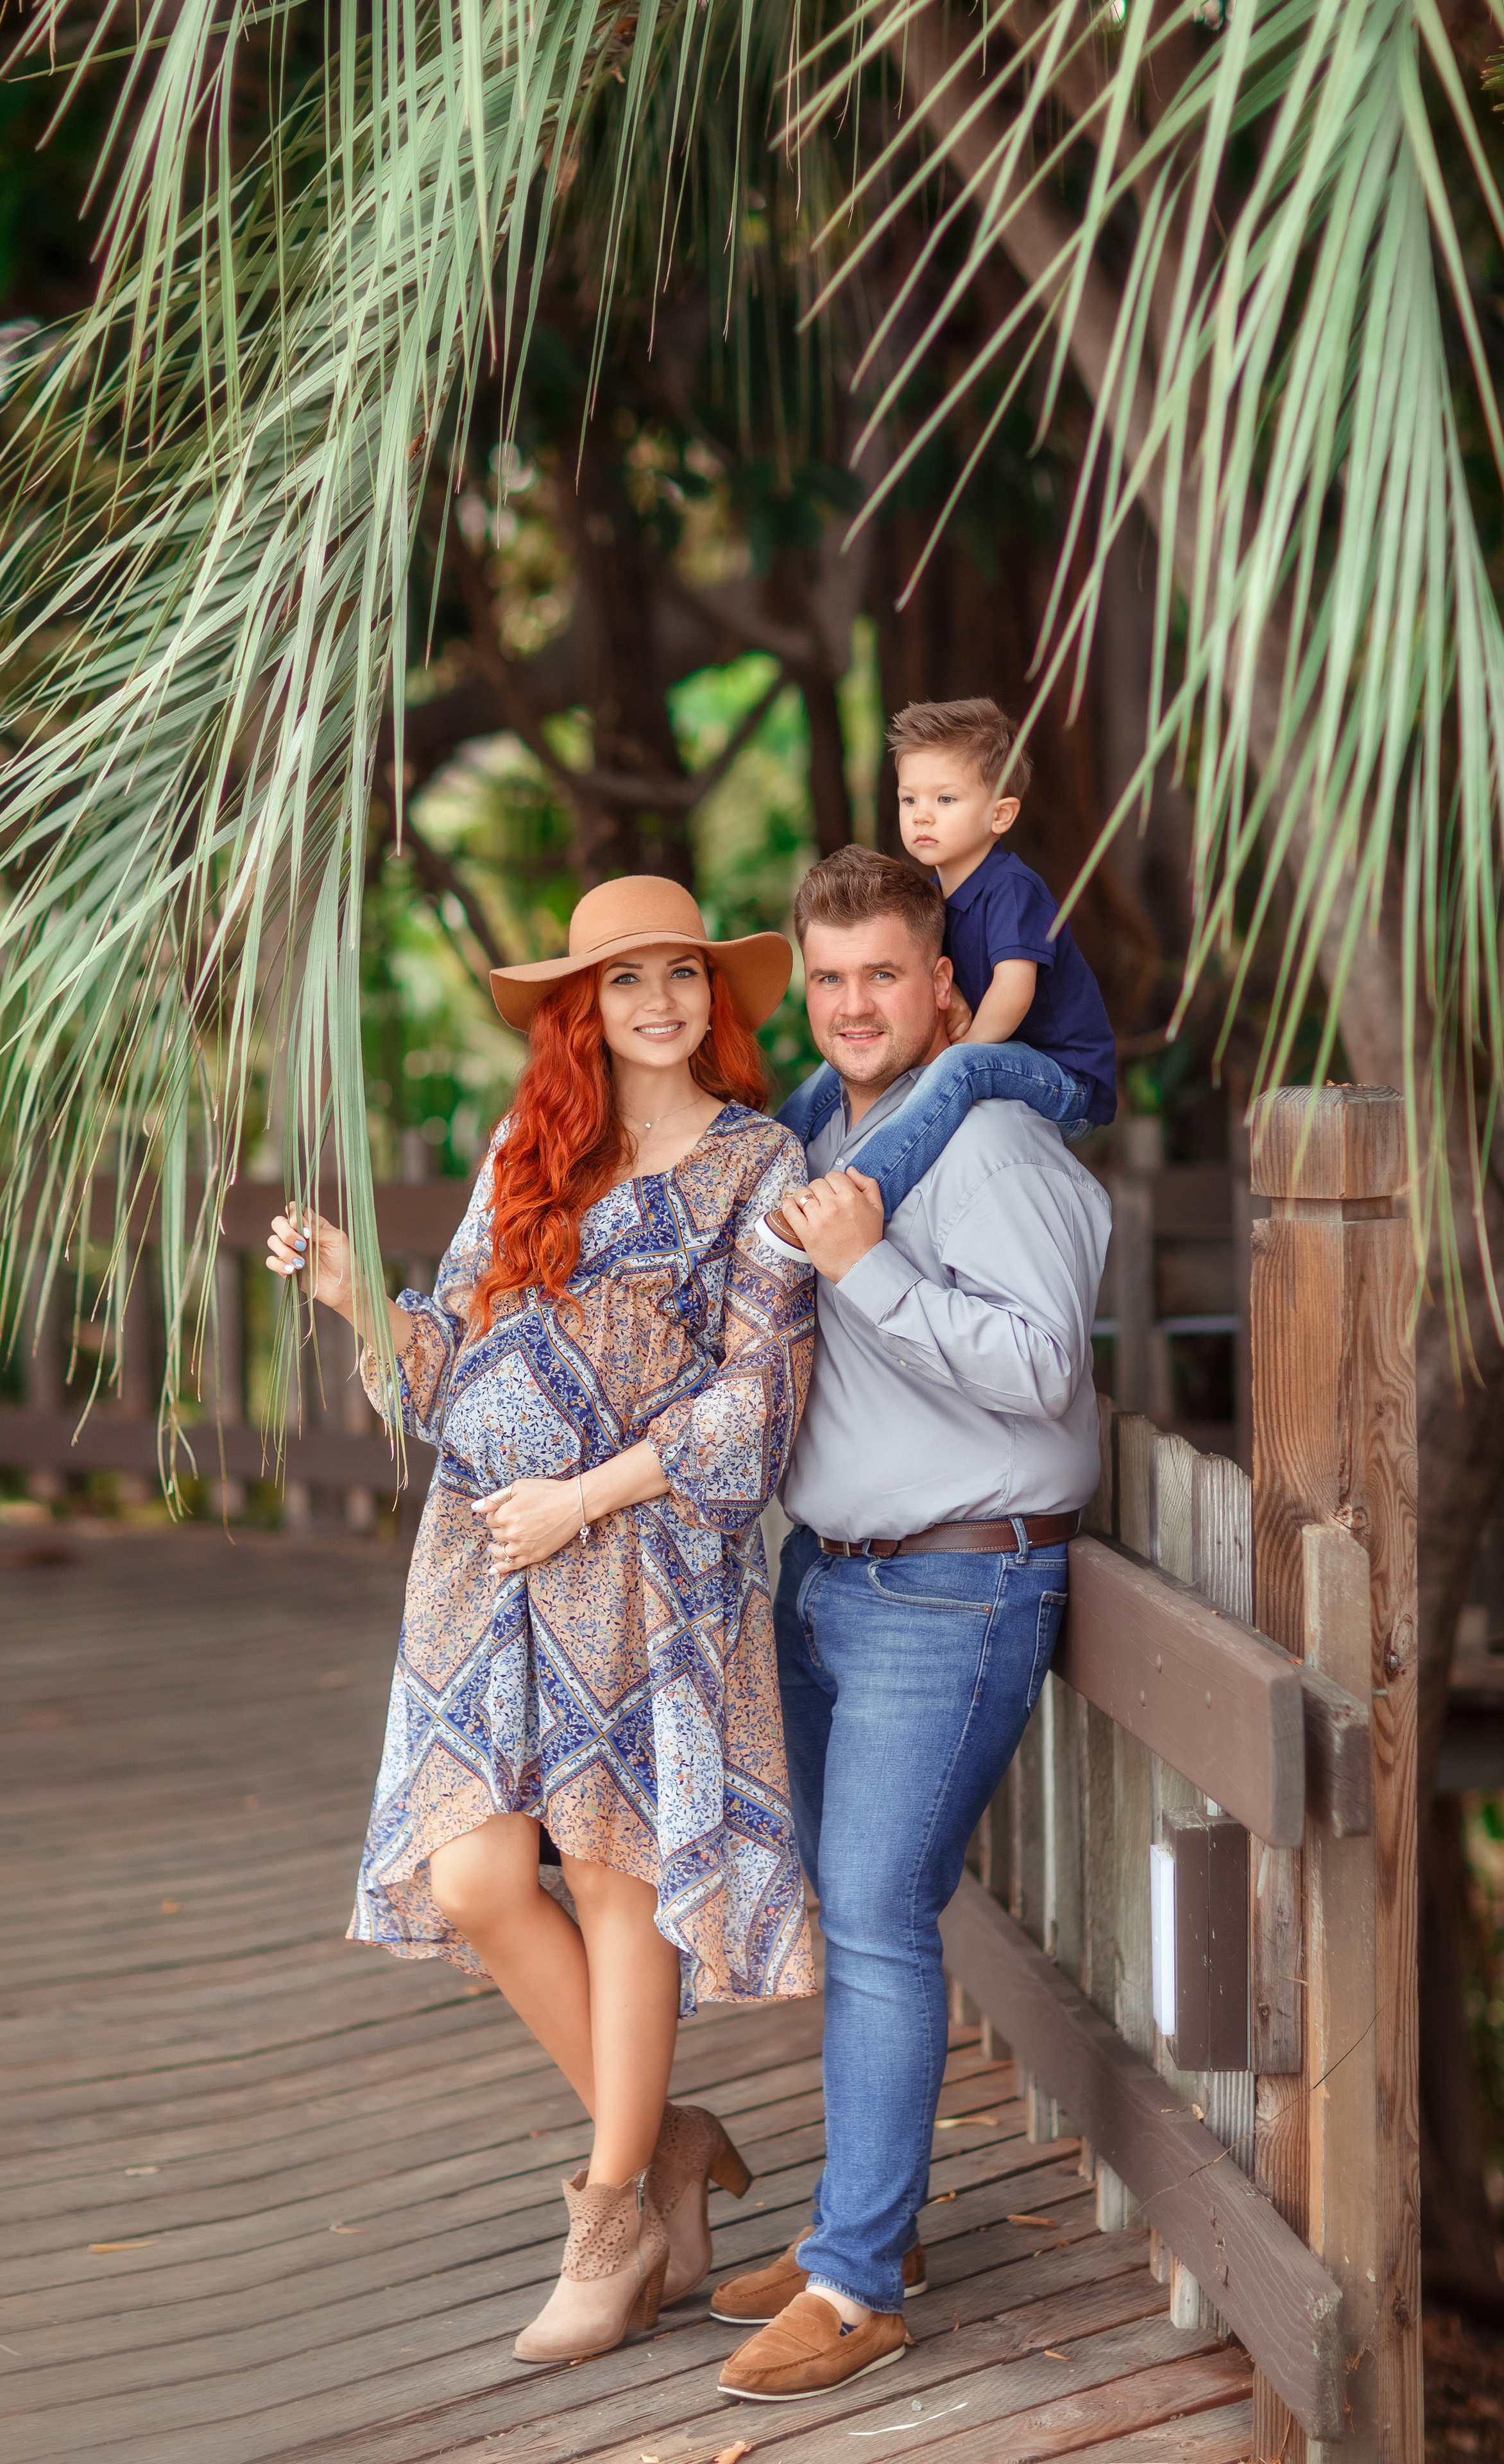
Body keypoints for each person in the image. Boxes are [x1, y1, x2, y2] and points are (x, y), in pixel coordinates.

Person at [264, 877, 817, 2369]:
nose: (657, 1002)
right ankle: (668, 2135)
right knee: (471, 1874)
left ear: (716, 995)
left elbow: (752, 1404)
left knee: (614, 1871)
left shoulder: (758, 1164)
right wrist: (349, 1302)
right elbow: (445, 1361)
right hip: (486, 1561)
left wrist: (585, 1497)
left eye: (681, 976)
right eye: (624, 979)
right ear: (582, 1003)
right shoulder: (531, 1147)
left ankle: (610, 2211)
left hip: (638, 1558)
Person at [709, 846, 1111, 2403]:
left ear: (944, 982)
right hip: (831, 1577)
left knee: (875, 1916)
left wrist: (862, 1265)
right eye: (829, 979)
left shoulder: (994, 1138)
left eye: (884, 972)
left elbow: (1035, 1370)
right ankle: (861, 2228)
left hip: (954, 1579)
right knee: (852, 1908)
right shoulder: (827, 1125)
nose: (855, 1002)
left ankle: (853, 2282)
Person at [776, 700, 1116, 1233]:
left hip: (1065, 1076)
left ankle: (863, 1194)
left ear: (1000, 815)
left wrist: (963, 1050)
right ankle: (766, 1168)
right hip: (1005, 1055)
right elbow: (945, 975)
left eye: (946, 799)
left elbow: (1013, 989)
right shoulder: (934, 896)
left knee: (959, 1068)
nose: (922, 815)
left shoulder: (1012, 888)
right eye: (909, 799)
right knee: (832, 1067)